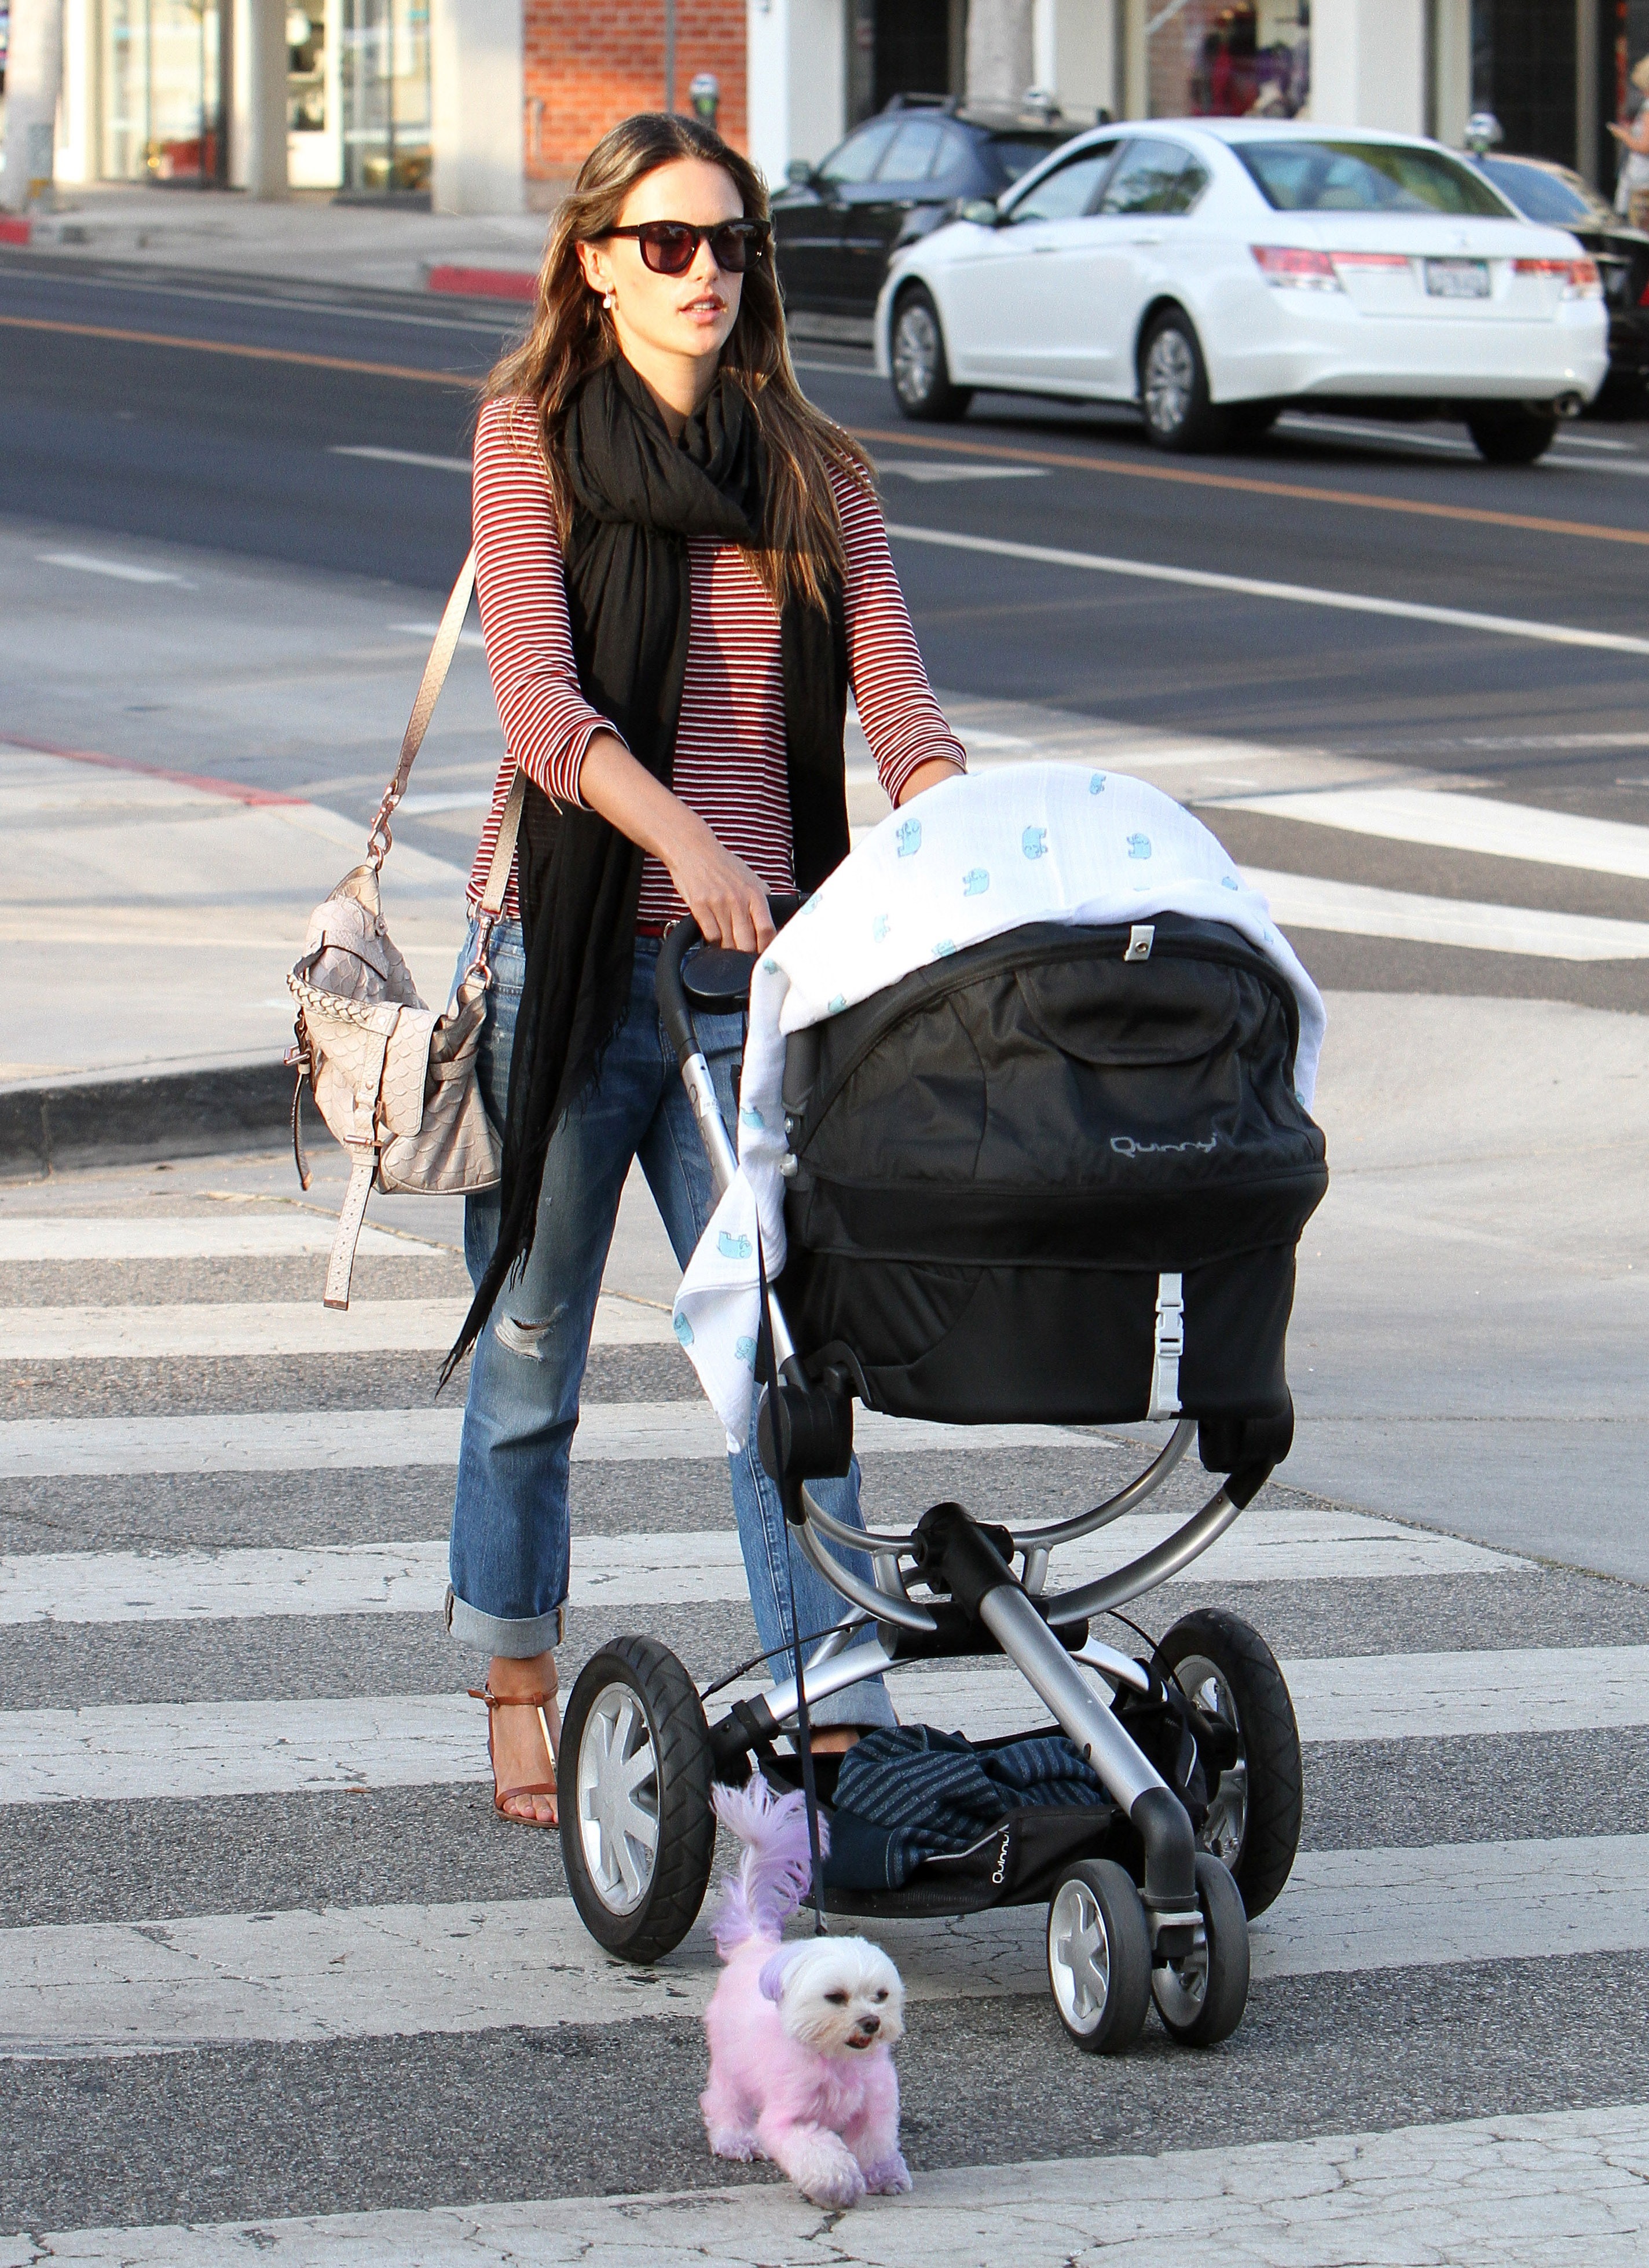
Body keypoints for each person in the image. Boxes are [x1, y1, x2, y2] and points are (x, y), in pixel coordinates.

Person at [446, 111, 968, 1827]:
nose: (704, 273)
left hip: (759, 984)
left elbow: (898, 709)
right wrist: (685, 843)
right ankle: (517, 1676)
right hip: (573, 966)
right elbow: (540, 707)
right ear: (595, 264)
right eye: (664, 243)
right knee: (534, 1346)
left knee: (778, 1361)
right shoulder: (529, 439)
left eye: (730, 243)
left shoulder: (816, 466)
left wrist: (964, 834)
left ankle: (832, 1707)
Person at [1608, 56, 1649, 232]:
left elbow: (1645, 146)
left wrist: (1624, 136)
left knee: (1636, 229)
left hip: (1641, 180)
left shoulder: (1648, 108)